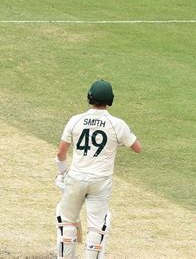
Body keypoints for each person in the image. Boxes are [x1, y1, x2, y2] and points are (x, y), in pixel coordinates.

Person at [54, 79, 142, 258]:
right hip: (101, 182)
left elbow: (61, 153)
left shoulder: (75, 120)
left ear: (90, 97)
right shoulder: (117, 124)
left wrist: (63, 172)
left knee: (67, 224)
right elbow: (137, 148)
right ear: (110, 100)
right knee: (97, 228)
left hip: (76, 179)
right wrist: (119, 141)